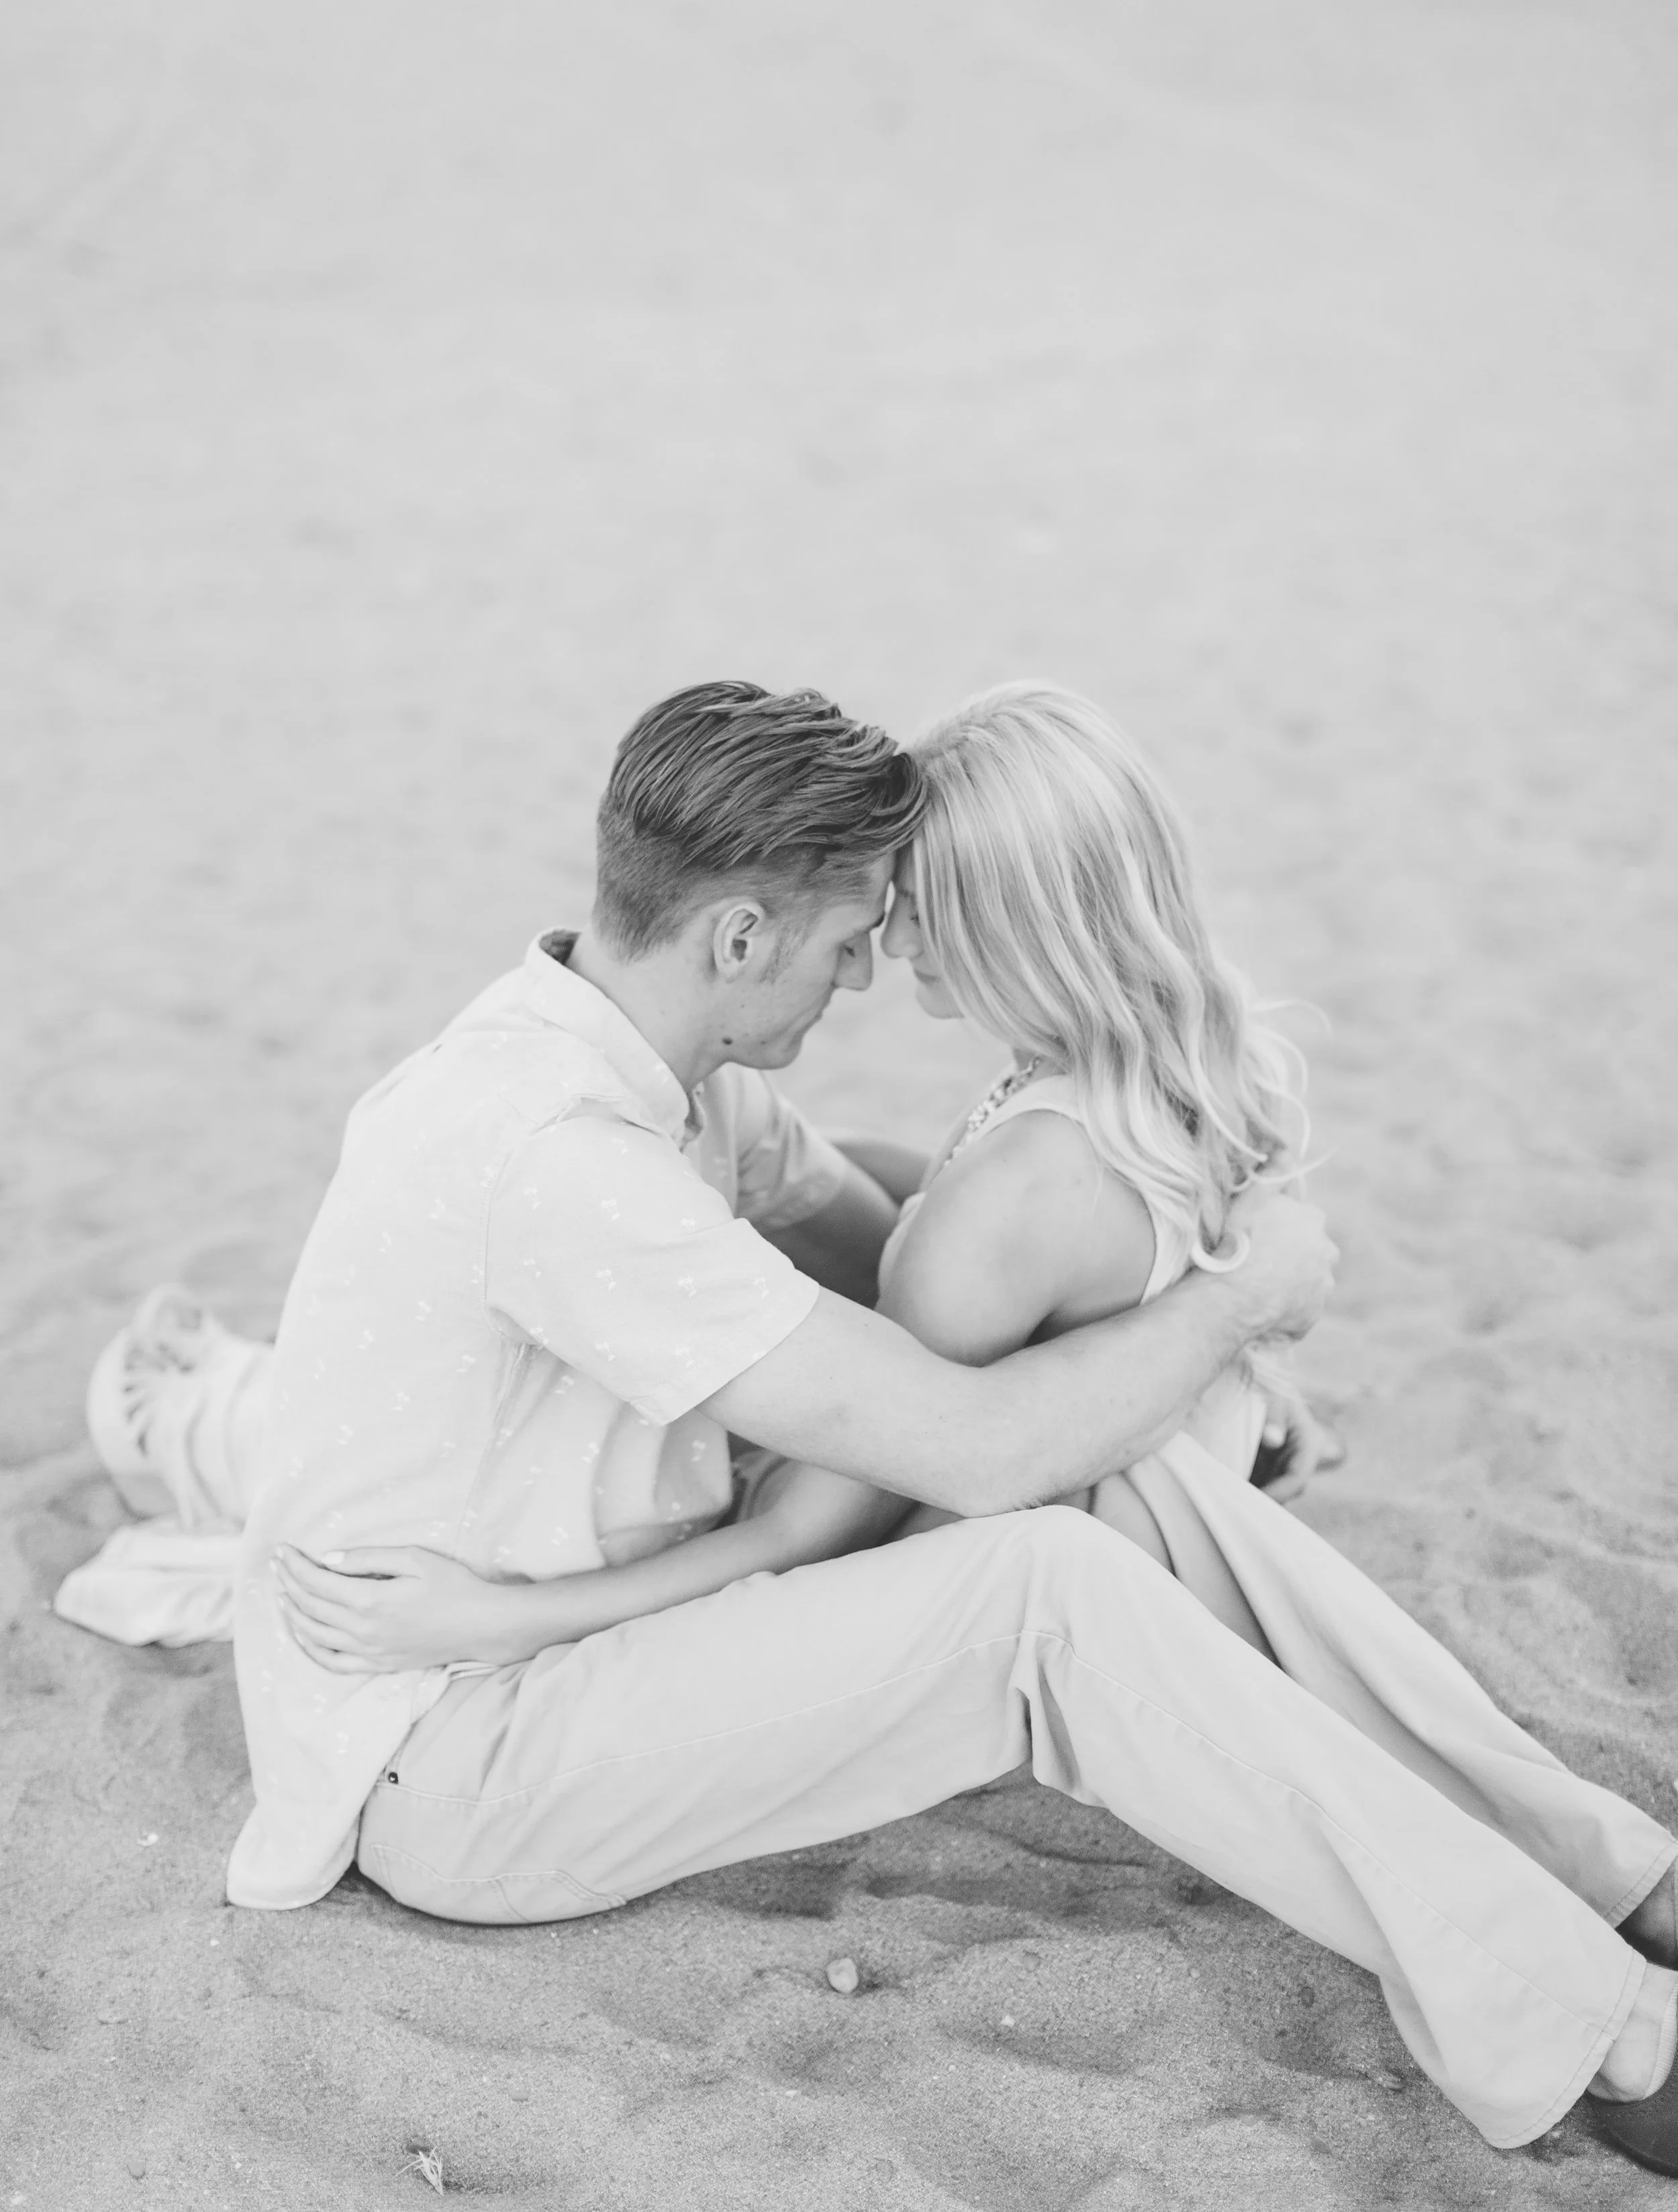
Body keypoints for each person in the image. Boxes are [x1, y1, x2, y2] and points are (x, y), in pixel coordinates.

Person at [79, 679, 1678, 2173]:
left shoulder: (654, 1062)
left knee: (1110, 1480)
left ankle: (1607, 1872)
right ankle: (1607, 2043)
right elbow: (969, 1453)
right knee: (1039, 1586)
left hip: (559, 1644)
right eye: (845, 943)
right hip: (460, 1761)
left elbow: (868, 1246)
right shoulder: (560, 1159)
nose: (863, 980)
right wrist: (1236, 1302)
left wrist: (1118, 1259)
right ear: (738, 933)